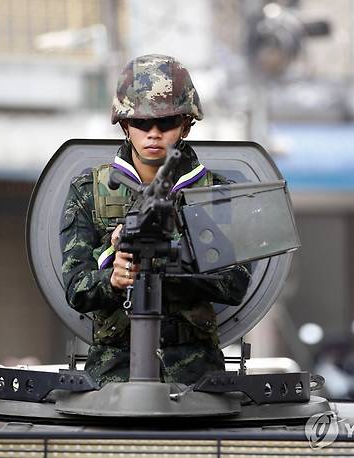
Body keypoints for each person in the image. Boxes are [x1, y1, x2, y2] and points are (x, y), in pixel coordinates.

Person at [60, 54, 251, 386]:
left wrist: (171, 258)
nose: (153, 134)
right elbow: (76, 288)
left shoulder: (216, 192)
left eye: (165, 123)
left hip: (196, 373)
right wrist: (114, 273)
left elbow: (235, 283)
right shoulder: (89, 191)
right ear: (124, 125)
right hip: (114, 371)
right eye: (141, 123)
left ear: (186, 124)